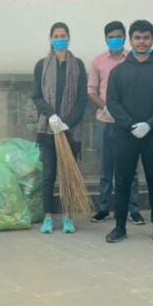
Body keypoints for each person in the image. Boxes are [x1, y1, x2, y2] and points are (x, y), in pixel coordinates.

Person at [105, 19, 153, 245]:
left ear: (152, 40)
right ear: (131, 40)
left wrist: (149, 124)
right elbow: (112, 102)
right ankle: (119, 227)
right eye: (137, 38)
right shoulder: (118, 71)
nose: (142, 42)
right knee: (122, 181)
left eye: (146, 38)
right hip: (125, 135)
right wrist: (130, 125)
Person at [32, 22, 89, 234]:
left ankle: (68, 216)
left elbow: (82, 99)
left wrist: (67, 122)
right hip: (48, 130)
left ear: (69, 38)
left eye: (63, 35)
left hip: (69, 131)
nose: (60, 39)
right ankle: (48, 217)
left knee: (68, 175)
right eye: (56, 36)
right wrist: (52, 116)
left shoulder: (78, 65)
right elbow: (37, 96)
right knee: (48, 175)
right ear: (50, 39)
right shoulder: (41, 65)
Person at [88, 21, 143, 225]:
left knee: (130, 169)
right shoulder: (98, 62)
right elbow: (91, 90)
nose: (115, 40)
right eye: (111, 37)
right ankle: (103, 208)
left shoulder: (133, 59)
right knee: (106, 169)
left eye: (119, 36)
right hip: (105, 121)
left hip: (127, 123)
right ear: (105, 39)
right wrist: (105, 107)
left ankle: (133, 209)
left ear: (125, 37)